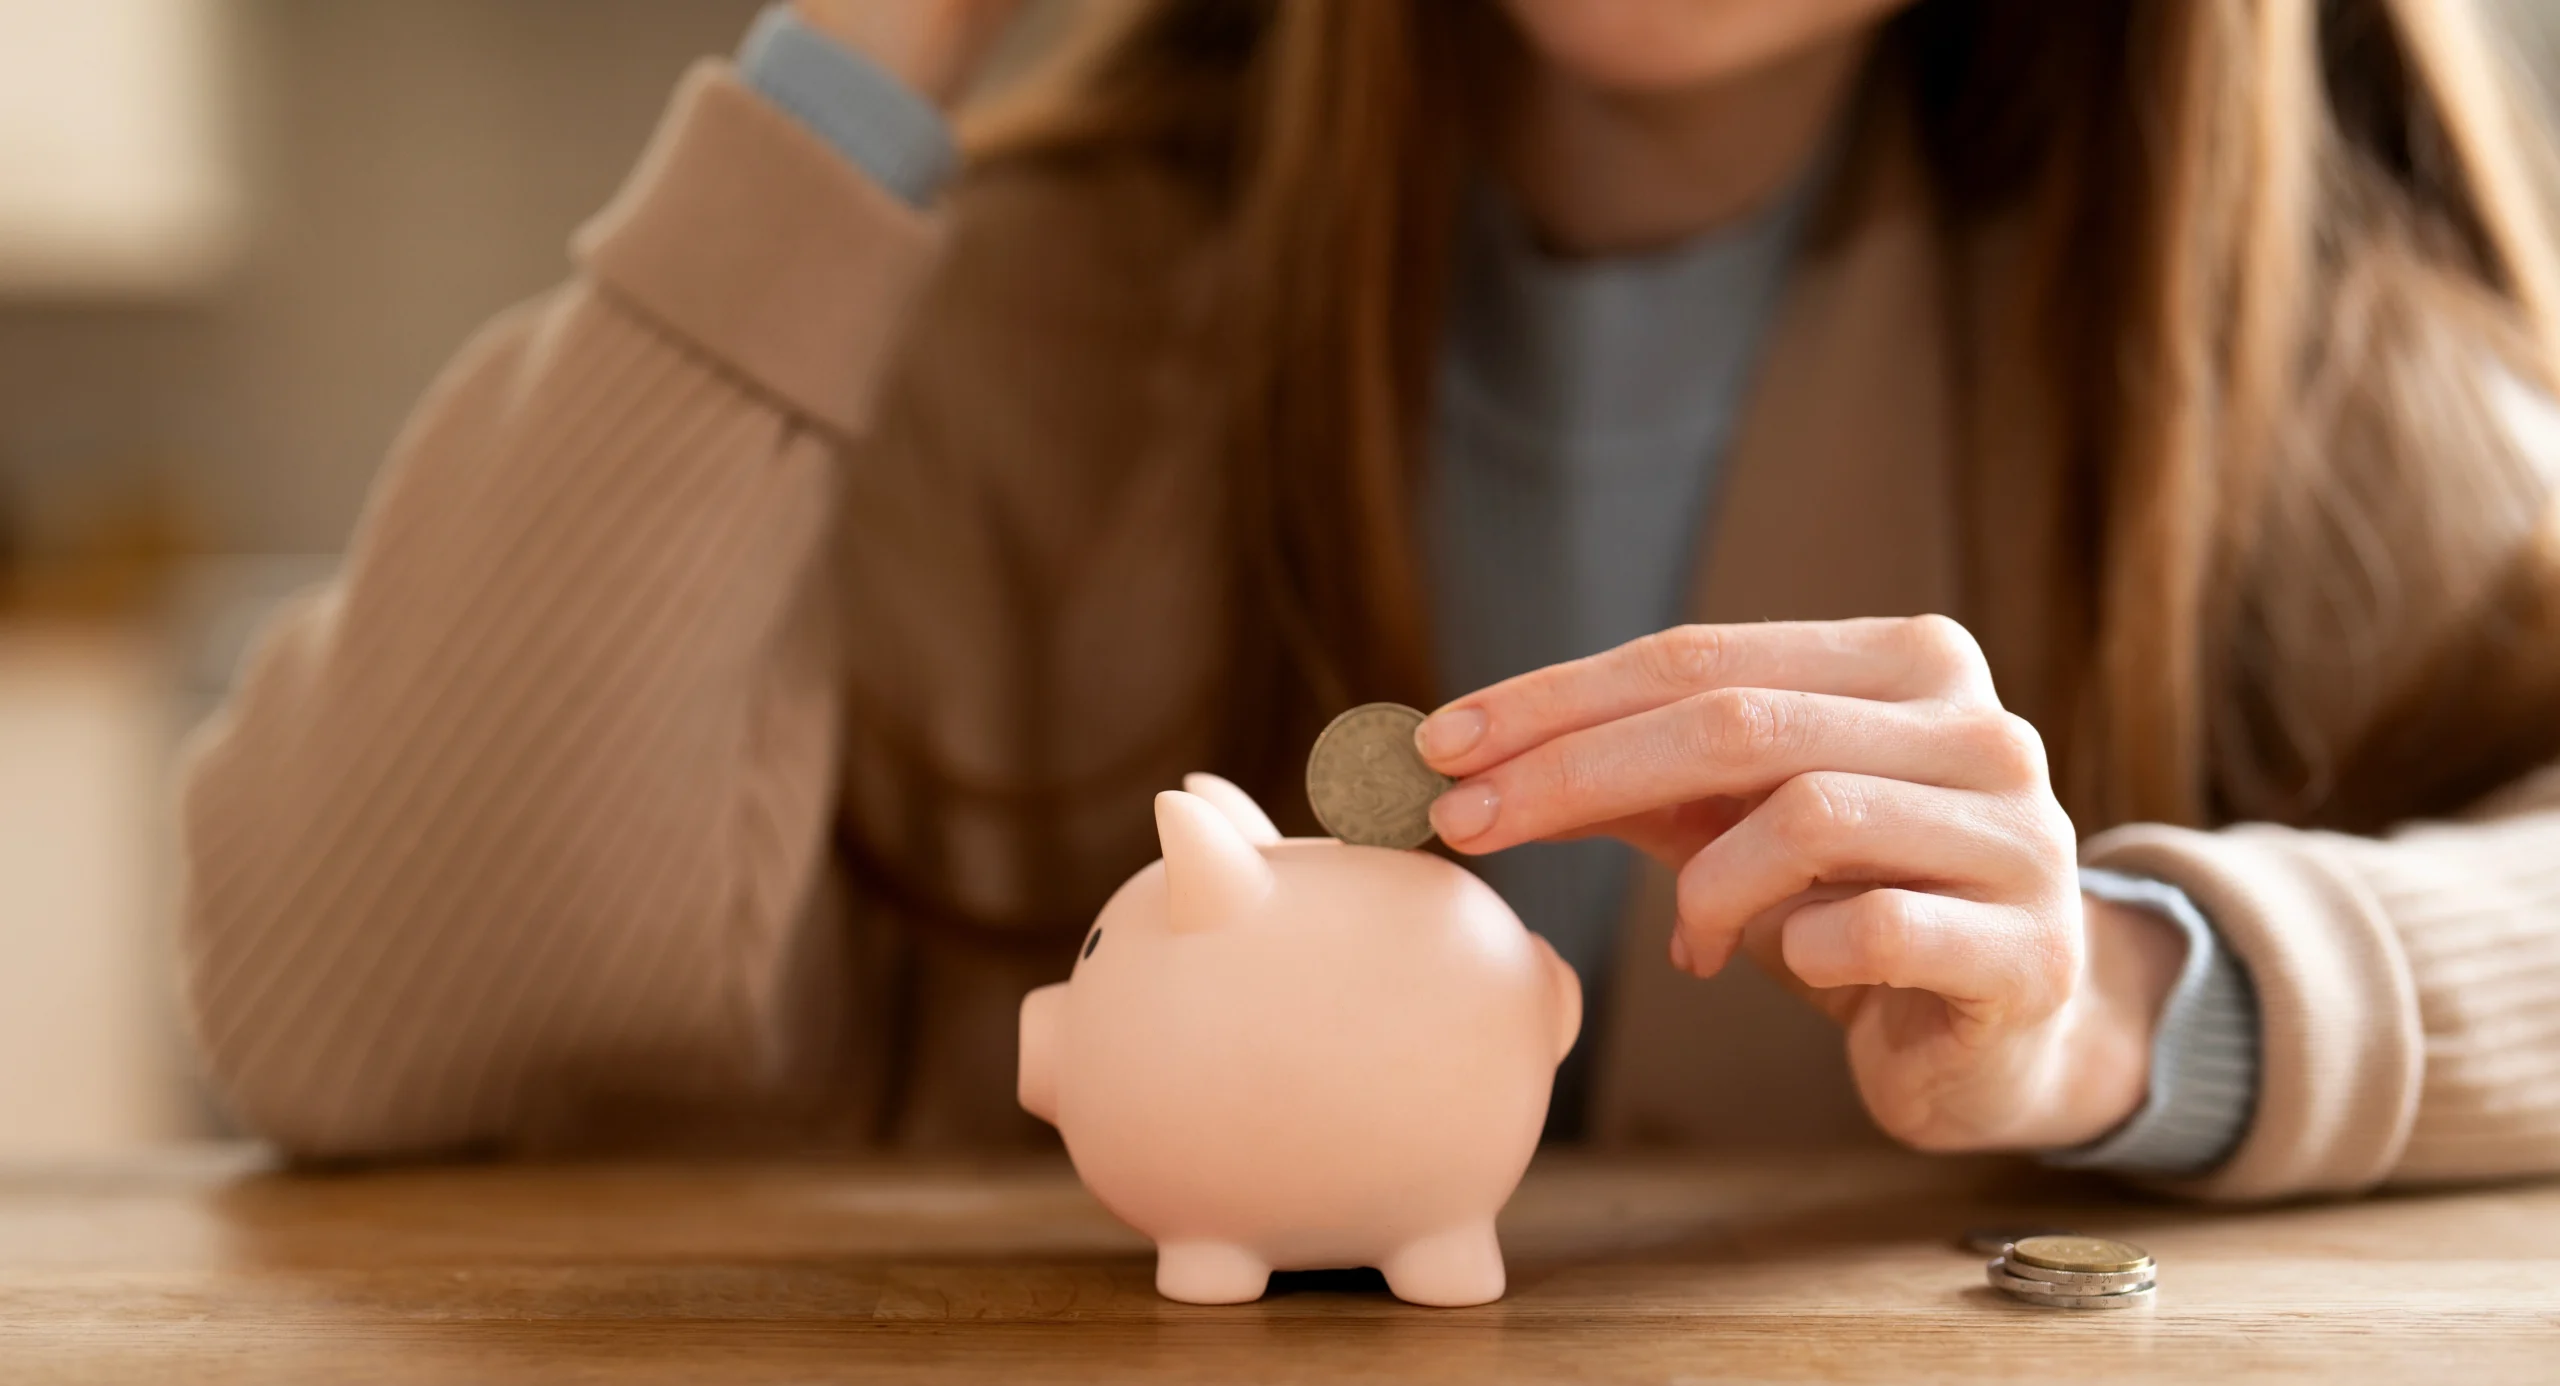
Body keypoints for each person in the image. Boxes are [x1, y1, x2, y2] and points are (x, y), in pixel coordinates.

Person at [177, 0, 2560, 1202]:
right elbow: (354, 1009)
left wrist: (2156, 996)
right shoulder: (1002, 314)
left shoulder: (2279, 373)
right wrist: (851, 62)